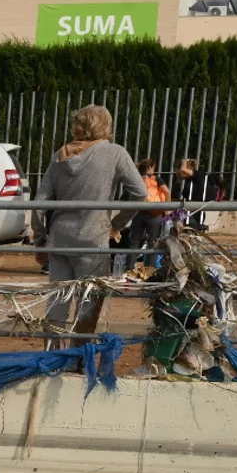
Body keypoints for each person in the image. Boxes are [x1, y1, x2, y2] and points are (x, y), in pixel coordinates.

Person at [31, 104, 146, 341]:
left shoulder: (60, 155)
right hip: (93, 239)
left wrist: (40, 239)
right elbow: (140, 193)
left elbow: (40, 201)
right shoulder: (115, 153)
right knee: (88, 303)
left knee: (57, 303)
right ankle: (78, 359)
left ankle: (52, 358)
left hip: (59, 240)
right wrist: (117, 223)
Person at [114, 158, 172, 272]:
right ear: (150, 167)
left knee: (134, 241)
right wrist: (167, 208)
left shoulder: (135, 180)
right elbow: (167, 192)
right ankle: (150, 270)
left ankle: (129, 268)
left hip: (137, 214)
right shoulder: (156, 179)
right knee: (153, 243)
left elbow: (124, 197)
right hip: (154, 214)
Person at [174, 158, 226, 232]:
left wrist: (184, 161)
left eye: (178, 174)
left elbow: (183, 168)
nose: (177, 176)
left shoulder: (197, 175)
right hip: (191, 213)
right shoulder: (190, 181)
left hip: (194, 216)